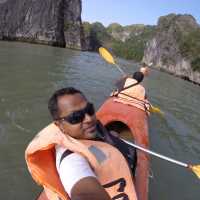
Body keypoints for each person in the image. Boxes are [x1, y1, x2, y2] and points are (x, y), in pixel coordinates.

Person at [25, 87, 138, 200]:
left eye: (89, 109)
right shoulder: (71, 160)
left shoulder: (83, 134)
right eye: (76, 117)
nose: (88, 119)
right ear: (59, 125)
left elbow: (98, 154)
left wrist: (111, 141)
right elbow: (84, 194)